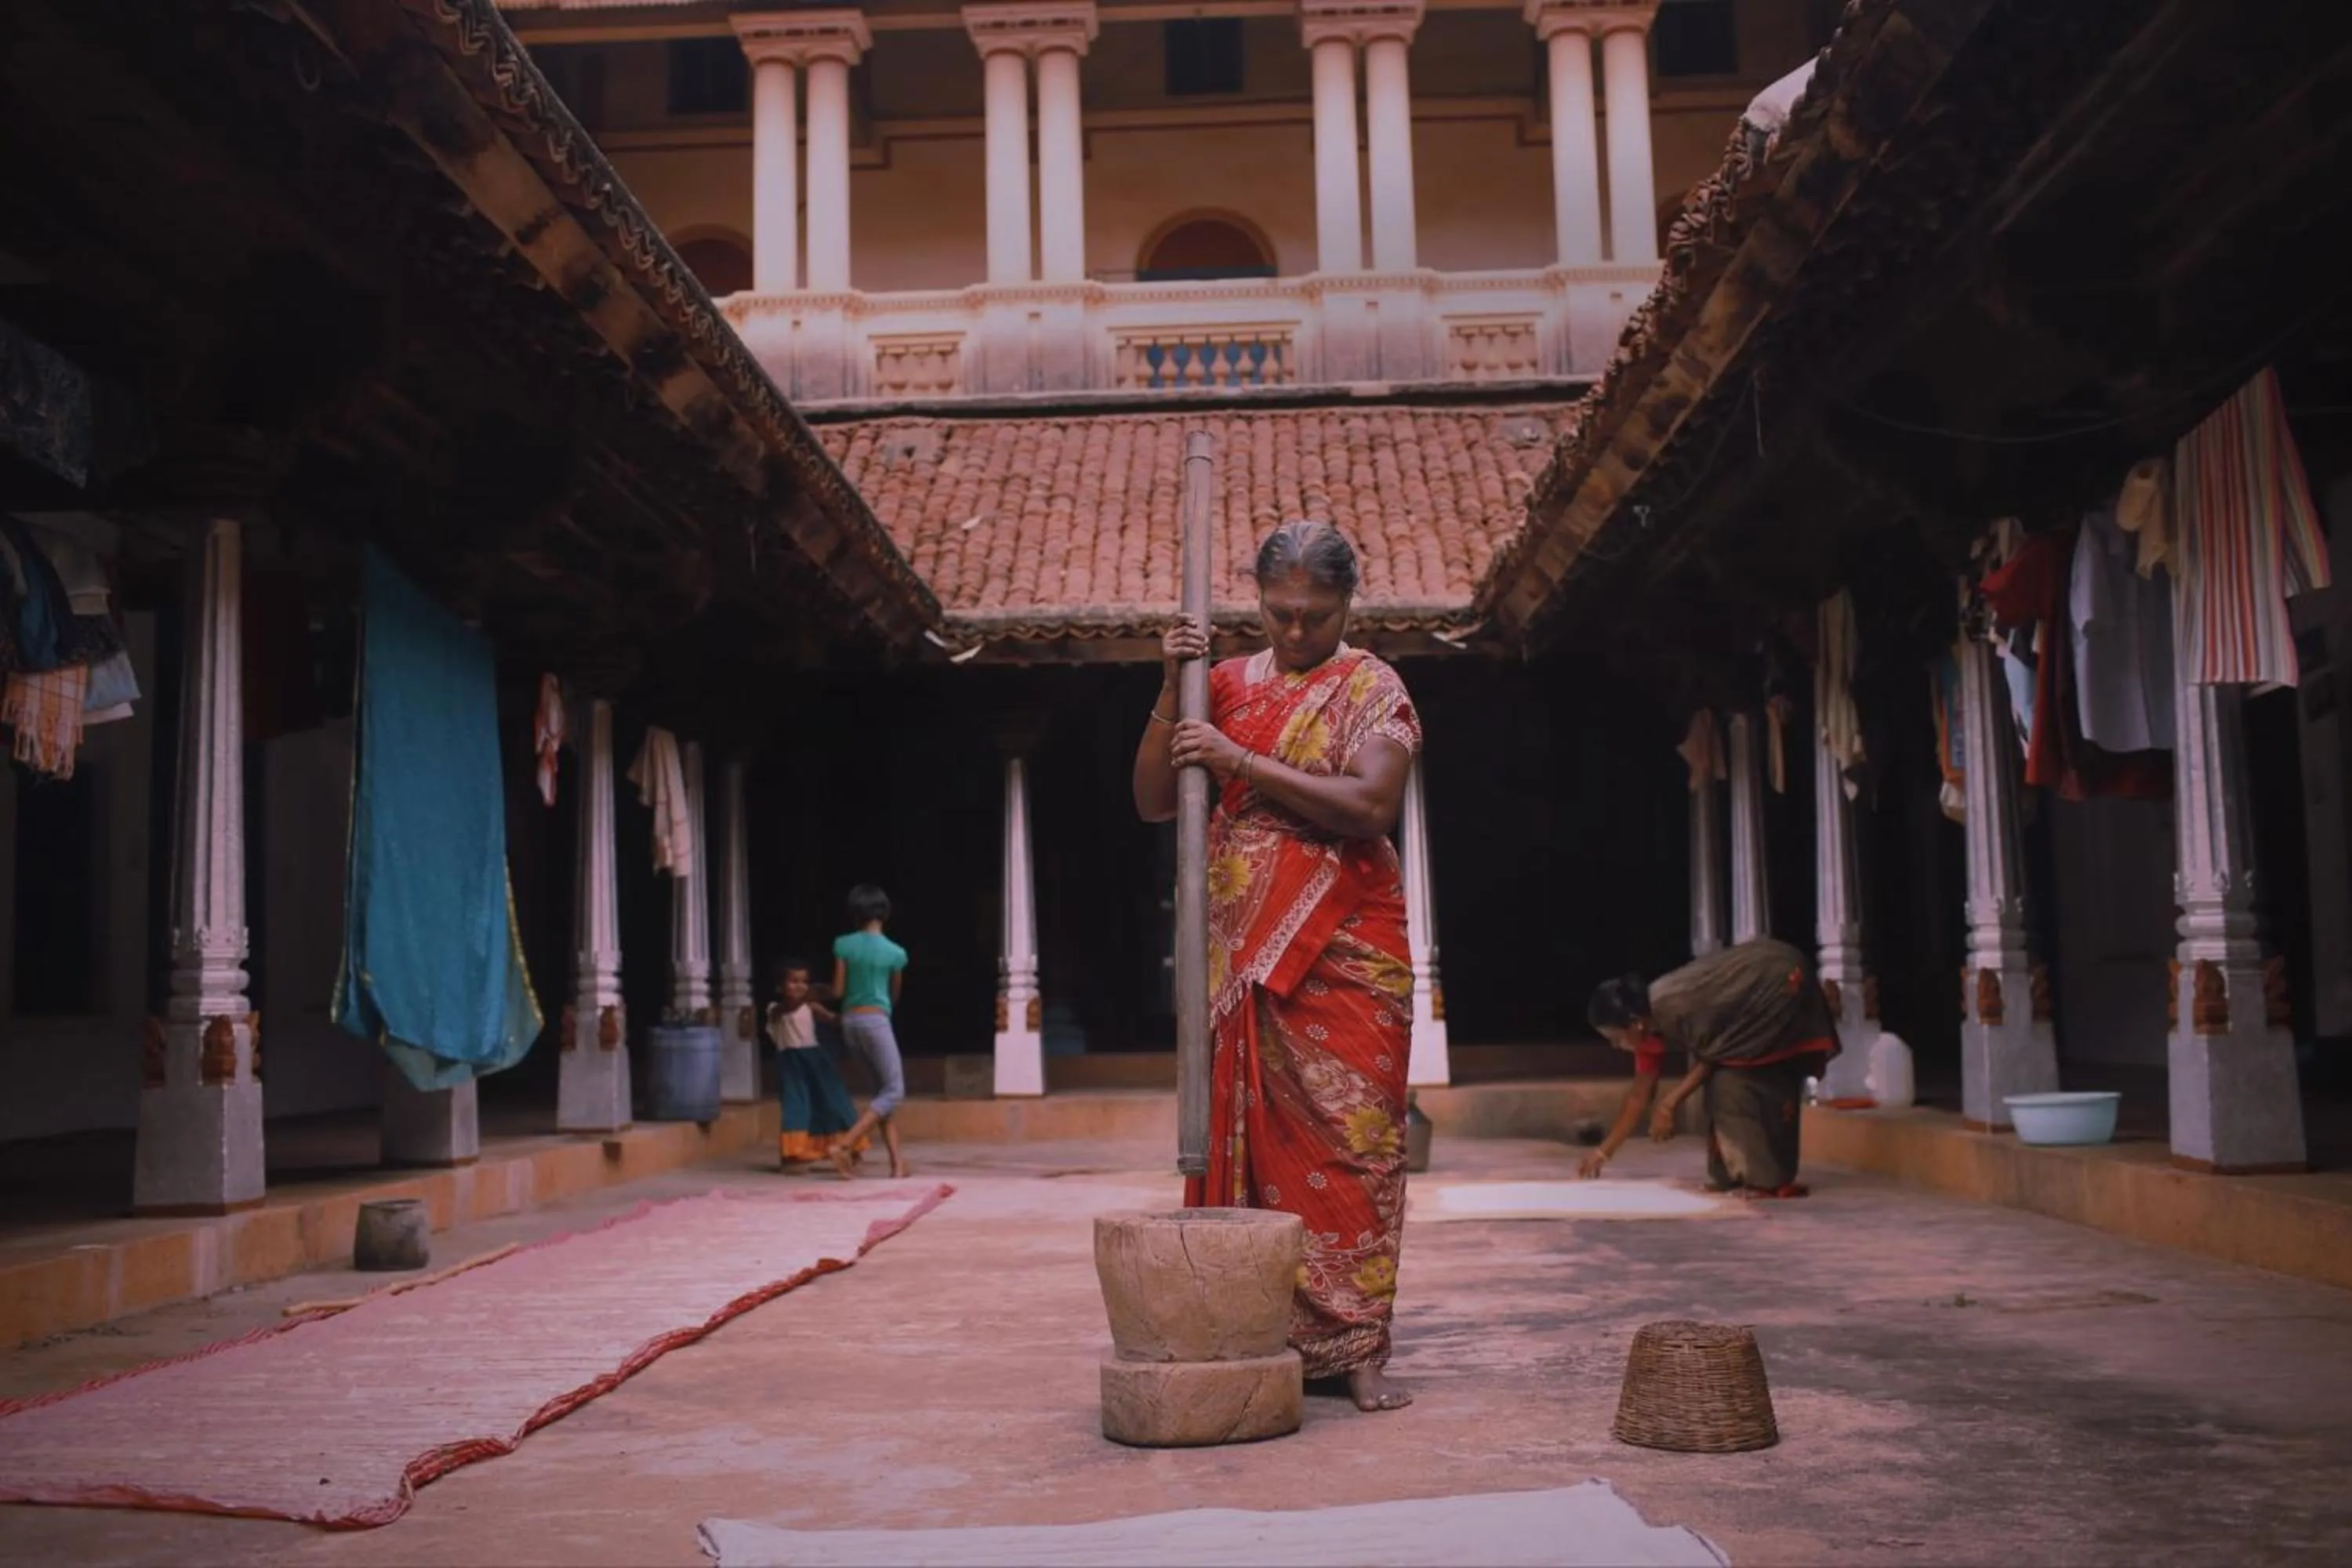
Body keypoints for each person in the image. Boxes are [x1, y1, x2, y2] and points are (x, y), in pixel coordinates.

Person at [1131, 519, 1422, 1414]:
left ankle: (1357, 1340)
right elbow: (1150, 799)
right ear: (1258, 602)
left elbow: (1372, 802)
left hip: (1349, 941)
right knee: (1254, 1140)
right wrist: (1168, 688)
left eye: (1316, 615)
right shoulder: (1218, 685)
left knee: (1355, 1140)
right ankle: (1263, 1323)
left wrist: (1239, 759)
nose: (1296, 632)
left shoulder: (1374, 686)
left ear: (1347, 605)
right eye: (1280, 613)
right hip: (1242, 955)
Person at [1578, 936, 1840, 1198]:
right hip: (1750, 1006)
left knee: (1732, 1083)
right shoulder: (1647, 1030)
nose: (1616, 1046)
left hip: (1776, 979)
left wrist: (1670, 1103)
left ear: (1634, 1023)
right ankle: (1733, 1176)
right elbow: (1639, 1094)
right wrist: (1602, 1153)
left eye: (1615, 1038)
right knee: (1725, 1082)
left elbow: (1717, 1053)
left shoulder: (1674, 1006)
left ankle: (1766, 1180)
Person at [826, 885, 912, 1181]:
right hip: (877, 1022)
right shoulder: (896, 953)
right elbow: (894, 994)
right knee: (894, 1091)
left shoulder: (844, 945)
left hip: (850, 1022)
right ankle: (845, 1145)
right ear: (885, 913)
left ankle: (897, 1165)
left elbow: (837, 991)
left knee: (882, 1095)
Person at [767, 958, 866, 1171]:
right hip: (791, 1064)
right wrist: (810, 997)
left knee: (834, 1102)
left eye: (804, 981)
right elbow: (787, 1009)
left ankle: (849, 1148)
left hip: (815, 1060)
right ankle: (793, 1155)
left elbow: (833, 1019)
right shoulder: (775, 1008)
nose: (800, 986)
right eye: (793, 981)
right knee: (796, 1105)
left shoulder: (811, 1006)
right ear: (779, 986)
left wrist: (854, 1013)